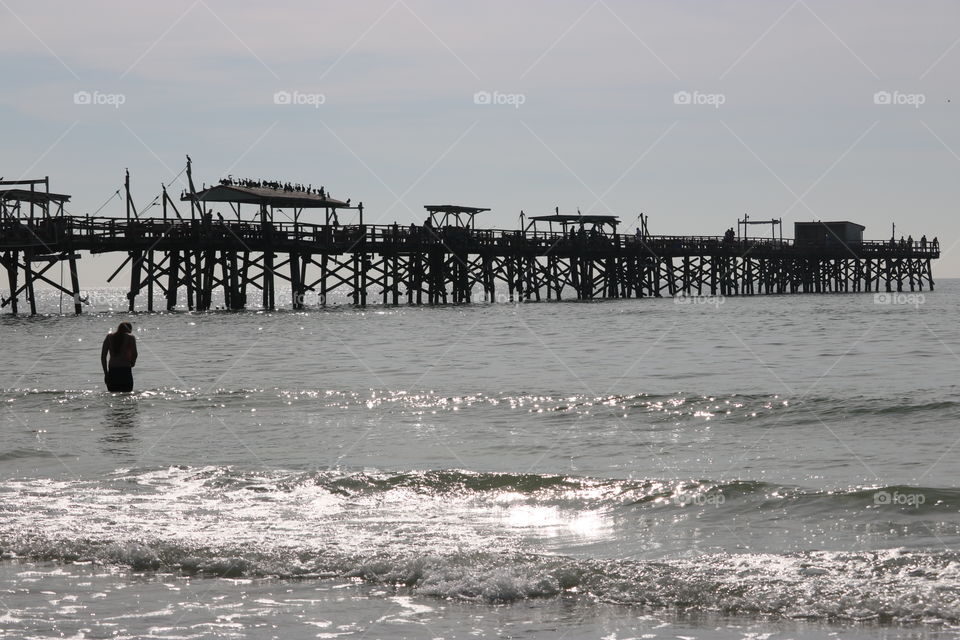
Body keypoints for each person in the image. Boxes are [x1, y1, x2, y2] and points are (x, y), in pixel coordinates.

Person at [101, 322, 137, 392]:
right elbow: (135, 354)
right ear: (129, 330)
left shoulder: (109, 337)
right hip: (125, 371)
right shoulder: (131, 337)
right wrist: (132, 363)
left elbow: (103, 356)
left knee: (113, 395)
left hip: (113, 371)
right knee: (127, 395)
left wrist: (106, 373)